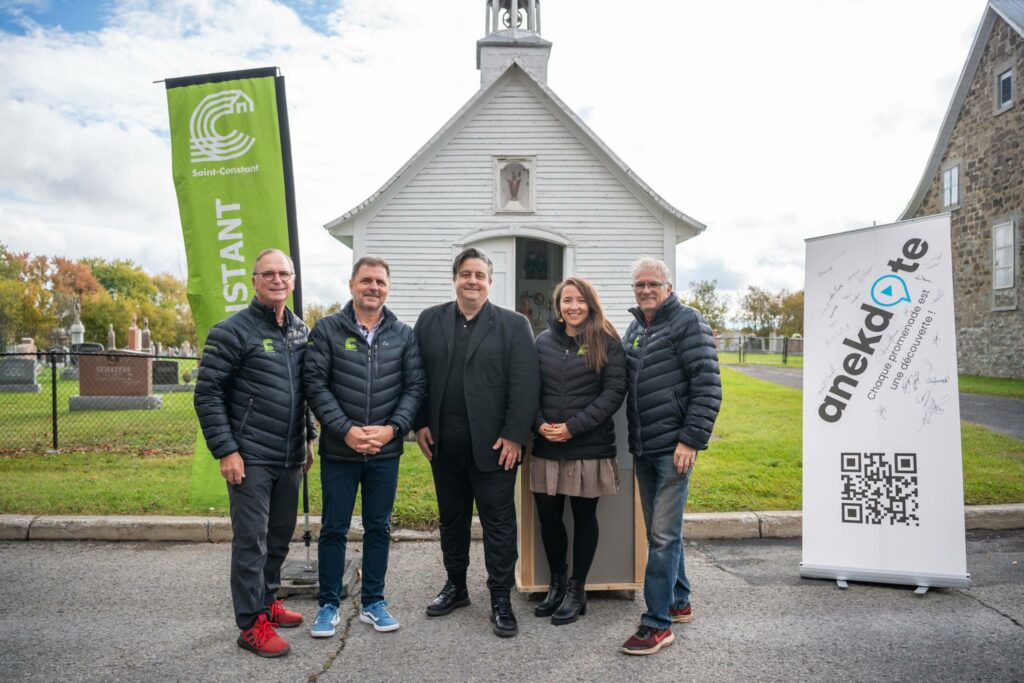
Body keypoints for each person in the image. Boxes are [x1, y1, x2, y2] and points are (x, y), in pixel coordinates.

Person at [194, 248, 316, 659]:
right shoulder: (232, 331)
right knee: (252, 541)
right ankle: (250, 625)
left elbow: (304, 393)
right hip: (250, 457)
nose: (277, 279)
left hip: (290, 456)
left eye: (284, 273)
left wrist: (309, 437)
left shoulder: (300, 330)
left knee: (279, 536)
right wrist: (226, 450)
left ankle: (266, 603)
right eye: (269, 274)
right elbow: (207, 394)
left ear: (294, 280)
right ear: (254, 280)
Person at [413, 247, 540, 638]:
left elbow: (525, 384)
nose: (472, 281)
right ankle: (456, 587)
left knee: (498, 524)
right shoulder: (429, 321)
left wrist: (516, 434)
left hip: (495, 448)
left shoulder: (513, 325)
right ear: (454, 279)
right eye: (465, 274)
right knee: (451, 520)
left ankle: (500, 596)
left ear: (489, 281)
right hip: (443, 447)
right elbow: (415, 377)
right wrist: (419, 423)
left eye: (480, 275)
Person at [303, 256, 425, 637]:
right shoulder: (326, 330)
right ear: (352, 284)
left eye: (380, 282)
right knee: (334, 529)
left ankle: (374, 601)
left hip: (385, 453)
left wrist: (392, 430)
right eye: (366, 280)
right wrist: (346, 430)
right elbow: (315, 385)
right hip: (341, 452)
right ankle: (327, 604)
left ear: (388, 288)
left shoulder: (403, 335)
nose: (374, 287)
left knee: (379, 527)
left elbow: (415, 387)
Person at [620, 257, 721, 656]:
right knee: (664, 533)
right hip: (644, 447)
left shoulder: (688, 322)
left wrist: (691, 440)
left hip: (675, 449)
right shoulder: (635, 327)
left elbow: (708, 385)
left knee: (661, 537)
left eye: (653, 284)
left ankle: (656, 624)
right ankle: (679, 602)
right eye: (639, 285)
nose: (646, 290)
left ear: (669, 287)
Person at [531, 277, 626, 625]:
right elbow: (530, 388)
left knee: (585, 518)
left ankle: (577, 590)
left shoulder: (606, 341)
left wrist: (573, 427)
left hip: (589, 446)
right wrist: (539, 423)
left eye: (579, 300)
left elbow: (613, 393)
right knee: (549, 517)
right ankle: (556, 583)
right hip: (546, 447)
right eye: (566, 300)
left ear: (590, 303)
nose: (573, 306)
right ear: (558, 306)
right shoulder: (542, 342)